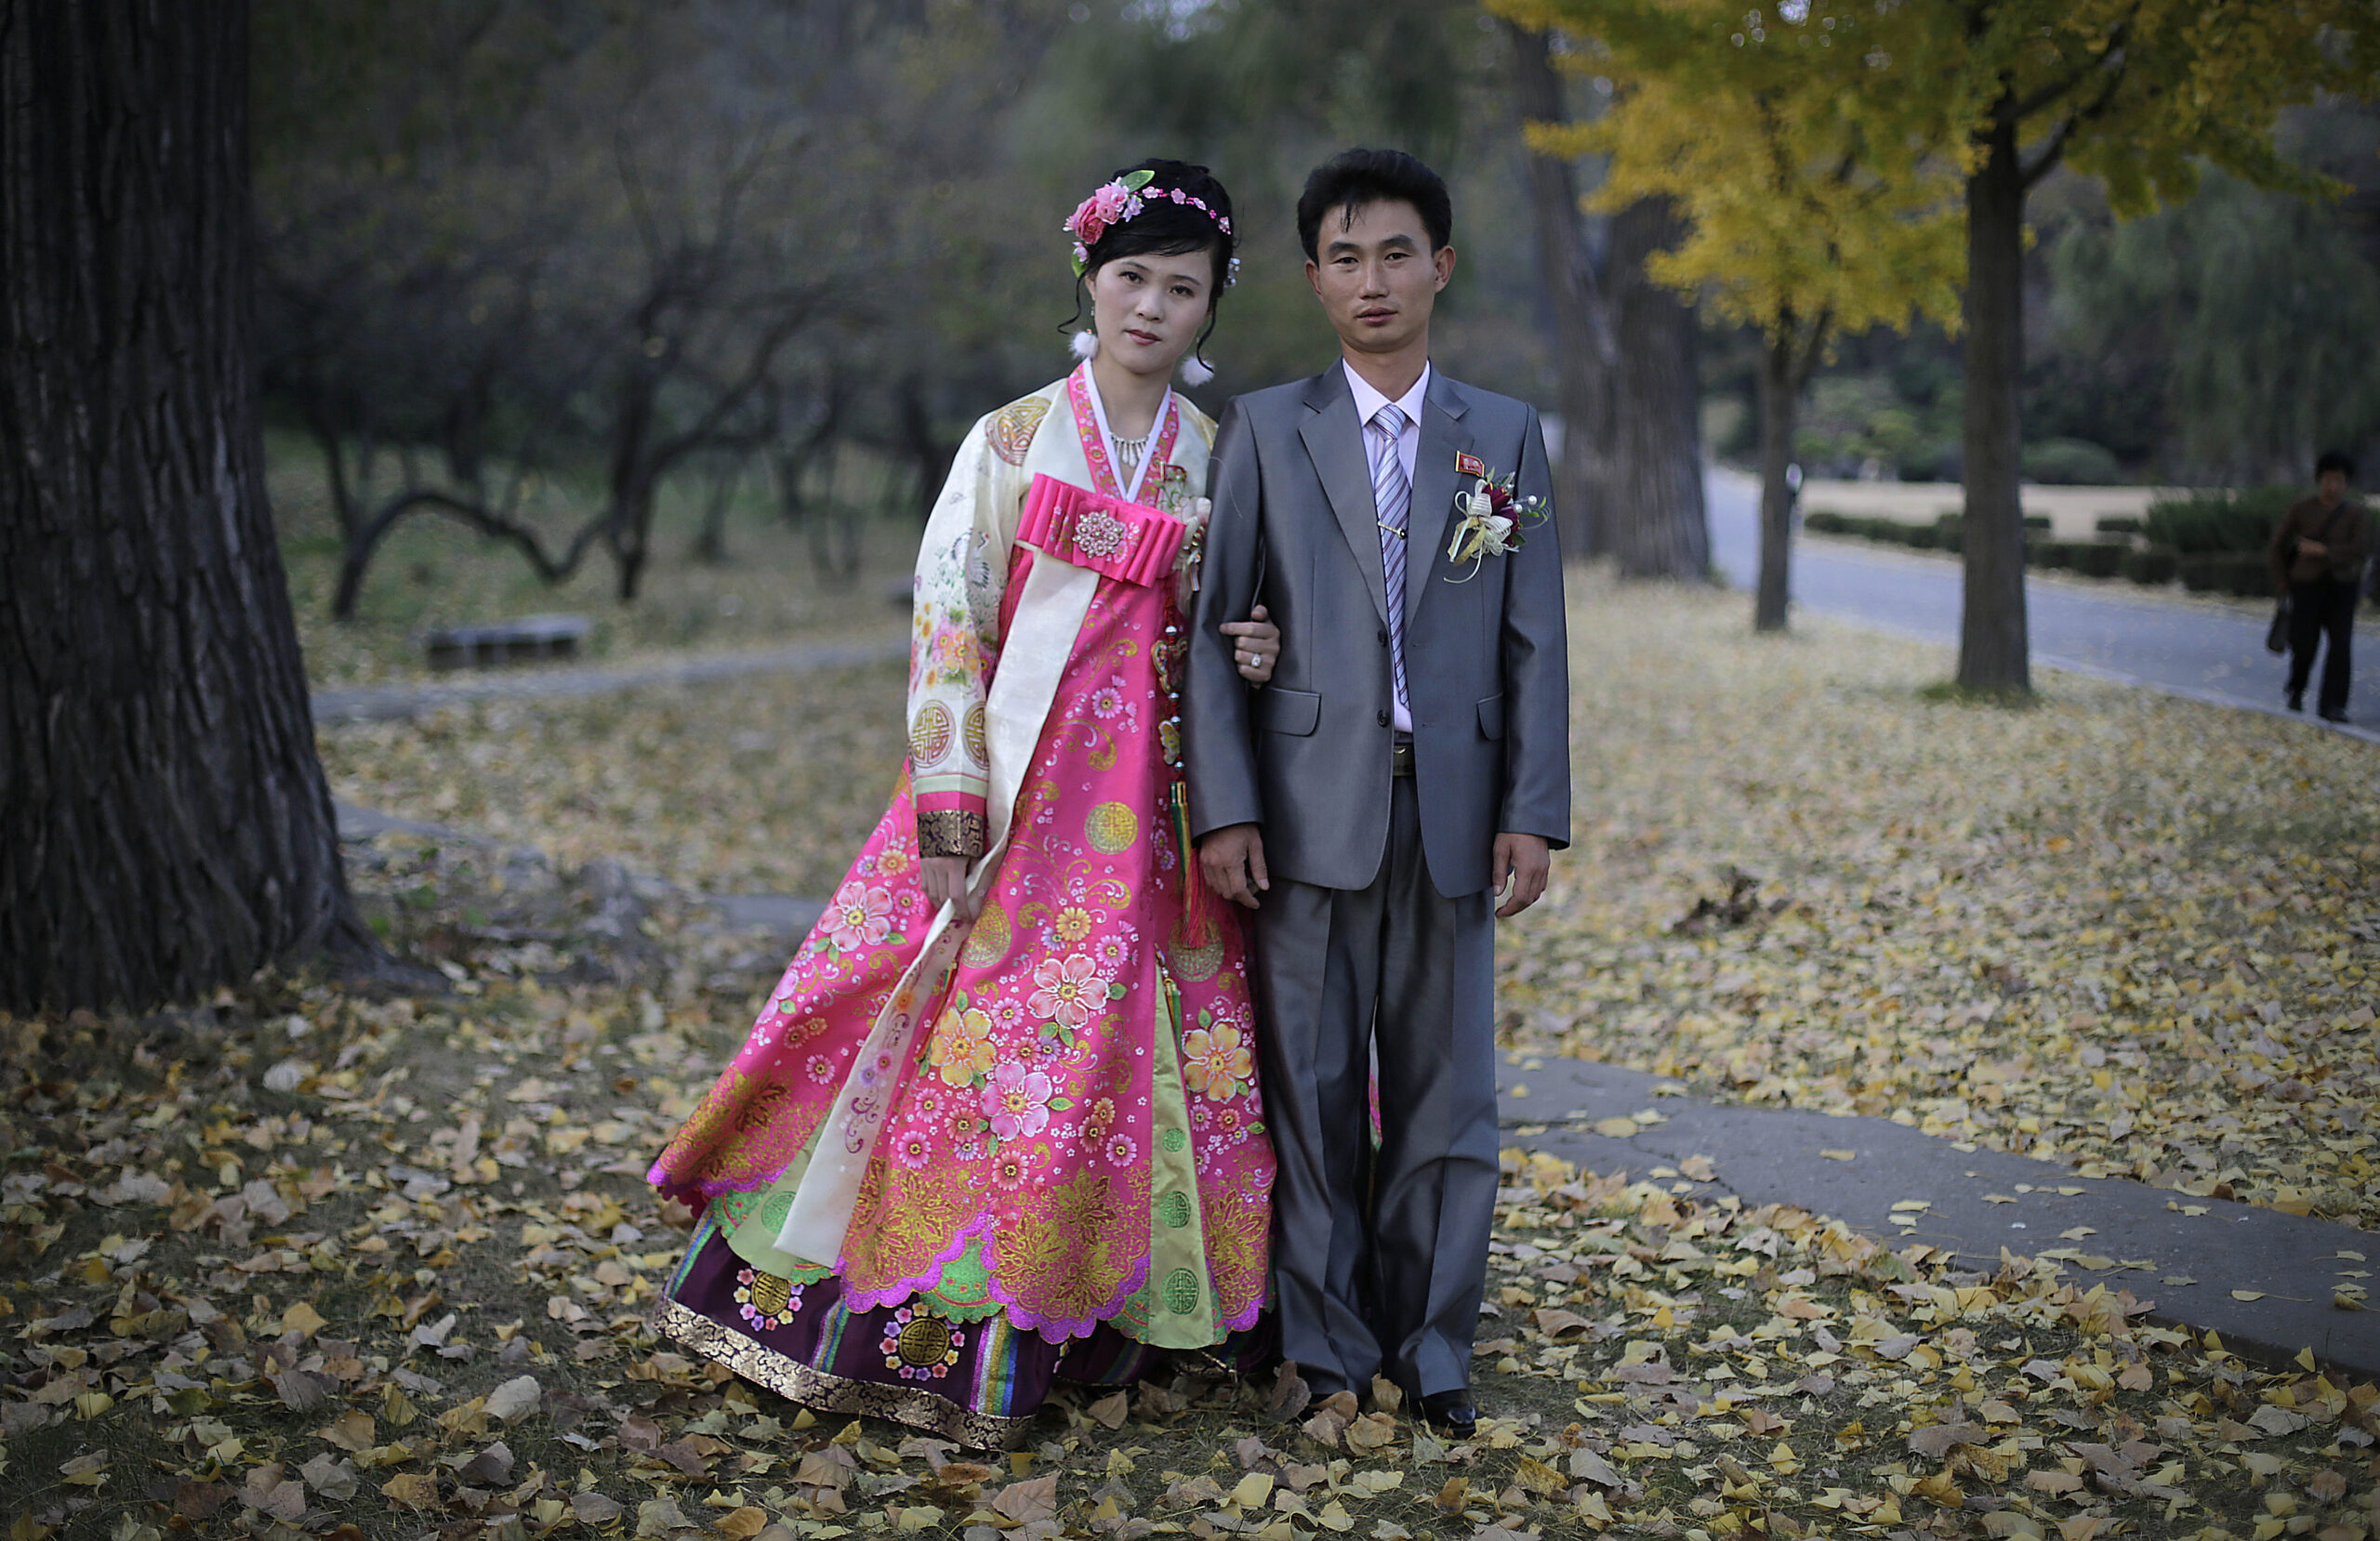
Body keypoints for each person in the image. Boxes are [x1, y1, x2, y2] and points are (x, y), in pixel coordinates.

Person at [647, 160, 1282, 1448]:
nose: (1151, 308)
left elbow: (1232, 631)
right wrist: (952, 805)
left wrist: (1255, 650)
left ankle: (1105, 1315)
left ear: (1213, 310)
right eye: (1131, 279)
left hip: (1155, 816)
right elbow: (950, 620)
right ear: (1090, 284)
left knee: (1119, 1059)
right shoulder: (1008, 441)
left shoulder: (1222, 458)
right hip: (1019, 802)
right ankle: (931, 1314)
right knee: (986, 1045)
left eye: (1181, 288)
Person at [1181, 149, 1571, 1440]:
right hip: (1302, 813)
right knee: (1313, 1087)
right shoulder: (1267, 428)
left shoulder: (1501, 437)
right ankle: (1328, 1342)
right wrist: (1226, 807)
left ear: (1440, 266)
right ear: (1312, 280)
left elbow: (1531, 638)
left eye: (1396, 252)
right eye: (1344, 258)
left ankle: (1437, 1339)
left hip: (1455, 808)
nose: (1373, 280)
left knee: (1450, 1094)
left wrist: (1533, 805)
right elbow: (1215, 626)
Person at [2268, 451, 2368, 723]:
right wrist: (2282, 579)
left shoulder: (2355, 512)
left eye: (2339, 480)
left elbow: (2359, 548)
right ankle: (2296, 690)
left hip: (2342, 585)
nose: (2333, 486)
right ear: (2319, 480)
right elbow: (2278, 545)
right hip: (2305, 585)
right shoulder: (2302, 509)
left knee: (2340, 644)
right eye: (2328, 479)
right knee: (2304, 643)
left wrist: (2324, 551)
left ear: (2346, 483)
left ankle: (2333, 704)